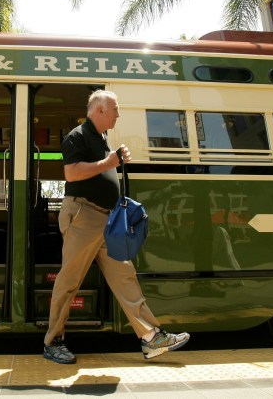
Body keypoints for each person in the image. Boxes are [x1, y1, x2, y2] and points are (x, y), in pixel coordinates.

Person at [43, 90, 190, 364]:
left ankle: (151, 338)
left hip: (105, 220)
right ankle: (53, 342)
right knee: (69, 282)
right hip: (83, 216)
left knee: (125, 276)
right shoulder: (77, 136)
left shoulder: (101, 138)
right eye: (115, 109)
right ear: (99, 110)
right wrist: (109, 162)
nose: (118, 114)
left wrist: (114, 161)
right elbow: (72, 173)